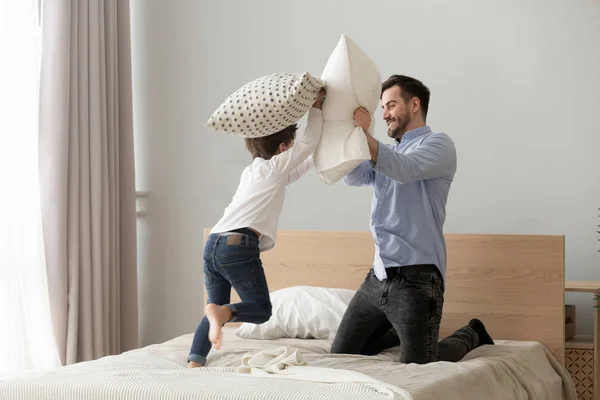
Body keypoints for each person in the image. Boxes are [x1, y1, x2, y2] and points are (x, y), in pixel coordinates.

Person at [330, 75, 493, 364]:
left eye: (391, 105)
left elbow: (405, 169)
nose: (385, 114)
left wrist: (364, 135)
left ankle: (472, 333)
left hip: (416, 280)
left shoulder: (439, 144)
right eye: (382, 108)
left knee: (422, 364)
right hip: (377, 278)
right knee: (342, 354)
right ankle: (398, 330)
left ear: (414, 104)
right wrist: (350, 132)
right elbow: (355, 177)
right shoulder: (388, 152)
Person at [187, 88, 326, 368]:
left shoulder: (255, 172)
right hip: (238, 246)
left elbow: (304, 162)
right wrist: (317, 107)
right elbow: (309, 144)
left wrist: (328, 146)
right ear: (284, 148)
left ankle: (195, 361)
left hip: (213, 245)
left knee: (217, 306)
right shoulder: (274, 169)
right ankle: (221, 315)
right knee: (261, 310)